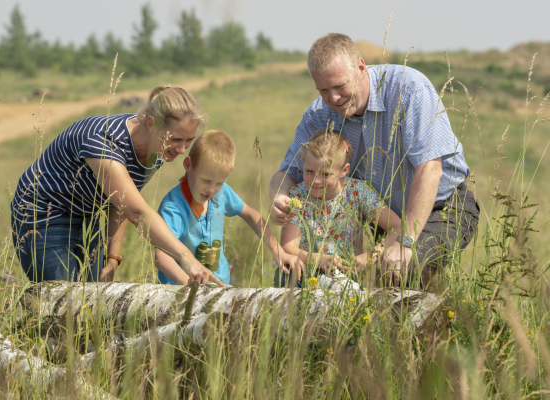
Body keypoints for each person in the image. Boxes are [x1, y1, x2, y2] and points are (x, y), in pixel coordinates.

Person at [270, 33, 480, 288]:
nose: (333, 99)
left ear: (360, 67)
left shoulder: (409, 89)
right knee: (349, 285)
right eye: (323, 90)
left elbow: (430, 169)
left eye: (340, 86)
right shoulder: (318, 114)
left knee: (401, 273)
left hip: (442, 207)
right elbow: (287, 172)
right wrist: (280, 196)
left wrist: (406, 241)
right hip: (383, 217)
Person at [11, 84, 223, 286]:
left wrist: (112, 258)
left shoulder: (158, 148)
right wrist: (186, 257)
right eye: (177, 139)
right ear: (151, 124)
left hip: (87, 214)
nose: (182, 150)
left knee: (92, 300)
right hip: (44, 215)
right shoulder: (105, 141)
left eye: (188, 140)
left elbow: (120, 202)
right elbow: (137, 212)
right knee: (65, 304)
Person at [155, 130, 303, 285]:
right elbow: (162, 256)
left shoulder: (222, 192)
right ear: (188, 165)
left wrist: (277, 251)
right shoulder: (173, 208)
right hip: (183, 293)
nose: (211, 190)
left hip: (222, 286)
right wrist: (188, 284)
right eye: (205, 181)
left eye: (219, 183)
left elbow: (251, 215)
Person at [278, 129, 402, 287]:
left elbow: (397, 226)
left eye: (325, 174)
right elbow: (288, 247)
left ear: (344, 170)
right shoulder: (298, 196)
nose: (315, 181)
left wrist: (371, 256)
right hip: (305, 275)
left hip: (347, 277)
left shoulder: (358, 192)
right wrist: (317, 258)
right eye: (309, 171)